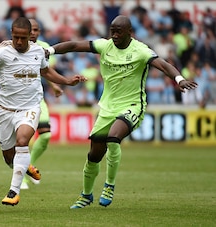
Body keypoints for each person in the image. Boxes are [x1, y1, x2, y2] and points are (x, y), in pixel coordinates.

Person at [46, 15, 198, 208]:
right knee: (94, 154)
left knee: (113, 137)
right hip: (108, 108)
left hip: (133, 105)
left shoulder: (141, 51)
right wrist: (50, 50)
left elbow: (163, 65)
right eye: (112, 31)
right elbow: (75, 45)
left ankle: (109, 185)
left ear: (129, 32)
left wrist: (179, 79)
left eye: (118, 31)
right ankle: (86, 195)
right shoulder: (104, 46)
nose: (115, 35)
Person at [0, 17, 86, 206]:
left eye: (23, 38)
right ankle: (25, 166)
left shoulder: (38, 51)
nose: (19, 42)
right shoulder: (2, 52)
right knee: (9, 157)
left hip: (30, 107)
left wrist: (68, 81)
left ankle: (14, 192)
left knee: (22, 141)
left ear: (30, 36)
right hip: (5, 110)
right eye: (15, 37)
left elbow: (46, 72)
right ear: (11, 35)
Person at [20, 18, 64, 190]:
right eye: (31, 30)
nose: (33, 33)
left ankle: (27, 169)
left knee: (45, 135)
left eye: (36, 30)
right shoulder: (15, 47)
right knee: (21, 142)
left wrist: (55, 86)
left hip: (37, 98)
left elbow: (44, 71)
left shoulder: (44, 48)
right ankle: (22, 177)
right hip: (17, 101)